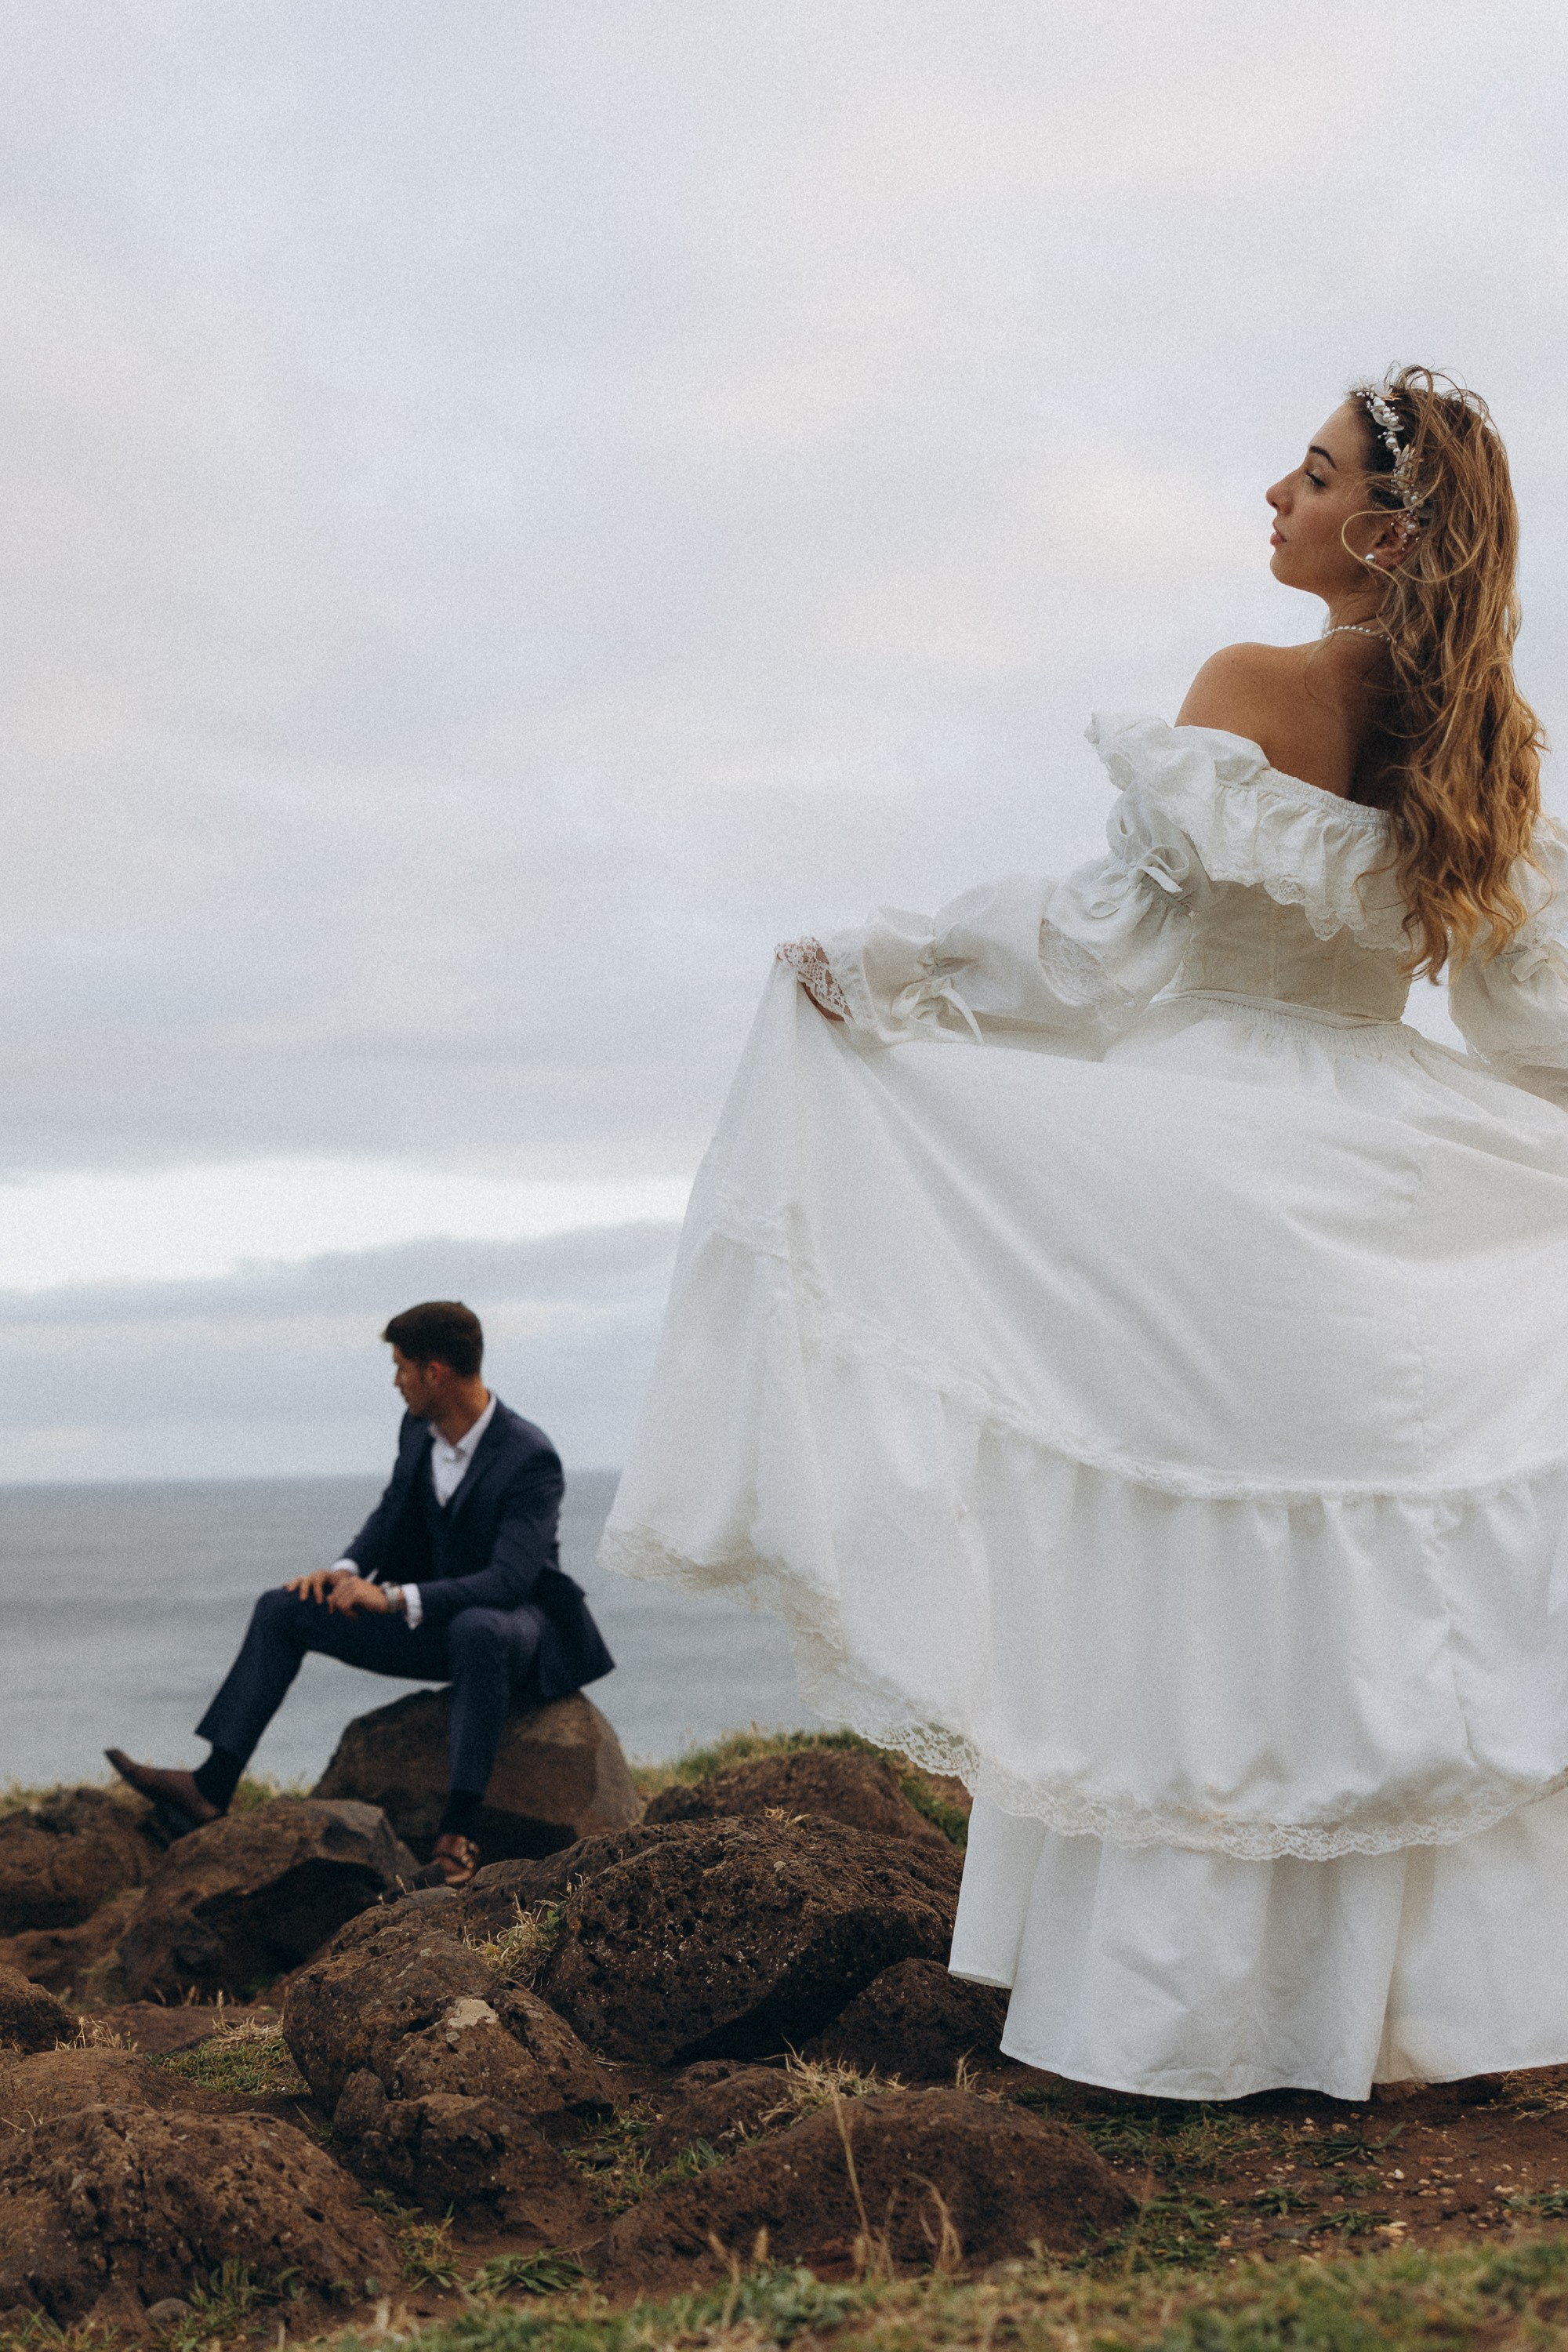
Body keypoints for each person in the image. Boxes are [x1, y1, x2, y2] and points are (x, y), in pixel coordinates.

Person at [602, 368, 1568, 2098]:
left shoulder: (1248, 685)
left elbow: (1100, 946)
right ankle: (1425, 2028)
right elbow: (1524, 1018)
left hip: (1202, 1179)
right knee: (1351, 1588)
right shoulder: (1481, 739)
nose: (1275, 492)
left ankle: (1169, 2022)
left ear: (1387, 530)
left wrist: (886, 963)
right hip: (1385, 1174)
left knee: (1187, 1588)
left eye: (1316, 472)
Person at [109, 1300, 614, 1887]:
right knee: (283, 1609)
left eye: (401, 1367)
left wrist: (394, 1598)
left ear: (434, 1372)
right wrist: (344, 1570)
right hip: (435, 1625)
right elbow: (393, 1511)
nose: (395, 1381)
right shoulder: (418, 1429)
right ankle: (210, 1786)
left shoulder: (530, 1456)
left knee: (480, 1627)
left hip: (515, 1632)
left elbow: (509, 1582)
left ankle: (456, 1837)